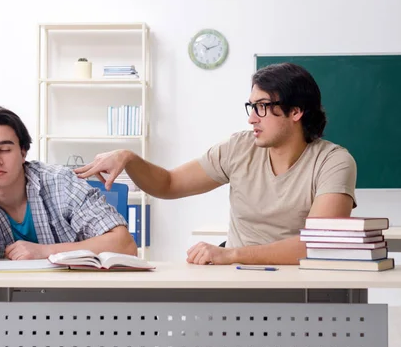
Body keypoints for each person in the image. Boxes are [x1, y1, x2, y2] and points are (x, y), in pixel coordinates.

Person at [74, 63, 357, 265]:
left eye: (262, 107)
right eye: (251, 107)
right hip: (238, 279)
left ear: (296, 111)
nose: (251, 118)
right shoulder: (238, 148)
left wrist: (231, 254)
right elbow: (169, 184)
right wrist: (129, 158)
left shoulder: (333, 161)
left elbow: (319, 243)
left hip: (302, 282)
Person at [0, 105, 137, 263]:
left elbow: (125, 245)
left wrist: (46, 251)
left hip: (72, 298)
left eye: (4, 149)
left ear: (23, 152)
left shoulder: (60, 181)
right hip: (2, 304)